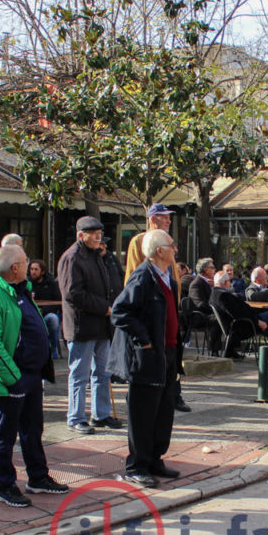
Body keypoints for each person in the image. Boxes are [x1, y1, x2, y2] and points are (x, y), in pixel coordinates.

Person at [0, 245, 69, 507]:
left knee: (33, 430)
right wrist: (12, 377)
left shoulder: (18, 291)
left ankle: (38, 477)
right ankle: (5, 485)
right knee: (6, 434)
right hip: (12, 377)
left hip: (31, 375)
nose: (28, 265)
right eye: (25, 262)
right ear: (15, 268)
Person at [110, 229, 184, 488]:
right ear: (159, 250)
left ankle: (154, 459)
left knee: (164, 411)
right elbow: (120, 312)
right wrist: (144, 339)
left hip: (168, 353)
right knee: (142, 413)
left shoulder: (168, 278)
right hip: (147, 356)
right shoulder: (143, 277)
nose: (175, 249)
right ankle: (137, 465)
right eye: (172, 245)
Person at [57, 216, 121, 435]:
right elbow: (72, 293)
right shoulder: (72, 258)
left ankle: (100, 414)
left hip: (102, 325)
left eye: (99, 233)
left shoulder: (97, 256)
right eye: (92, 233)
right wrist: (104, 307)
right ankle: (75, 417)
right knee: (79, 374)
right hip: (82, 325)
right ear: (80, 235)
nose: (97, 237)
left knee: (103, 372)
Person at [122, 203, 188, 412]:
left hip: (169, 309)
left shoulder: (167, 243)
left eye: (169, 217)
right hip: (152, 311)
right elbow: (133, 275)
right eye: (164, 217)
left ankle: (174, 394)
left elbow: (172, 276)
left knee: (173, 353)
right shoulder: (140, 241)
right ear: (152, 219)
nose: (169, 220)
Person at [210, 271, 268, 368]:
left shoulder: (215, 293)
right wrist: (257, 321)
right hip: (244, 325)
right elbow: (238, 313)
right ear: (226, 282)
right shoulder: (223, 295)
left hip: (242, 324)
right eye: (229, 281)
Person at [27, 259, 62, 359]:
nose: (33, 272)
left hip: (47, 314)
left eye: (36, 269)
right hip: (32, 314)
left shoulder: (51, 283)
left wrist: (45, 309)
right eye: (31, 269)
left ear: (42, 271)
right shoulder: (27, 283)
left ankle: (52, 349)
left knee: (53, 319)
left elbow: (58, 302)